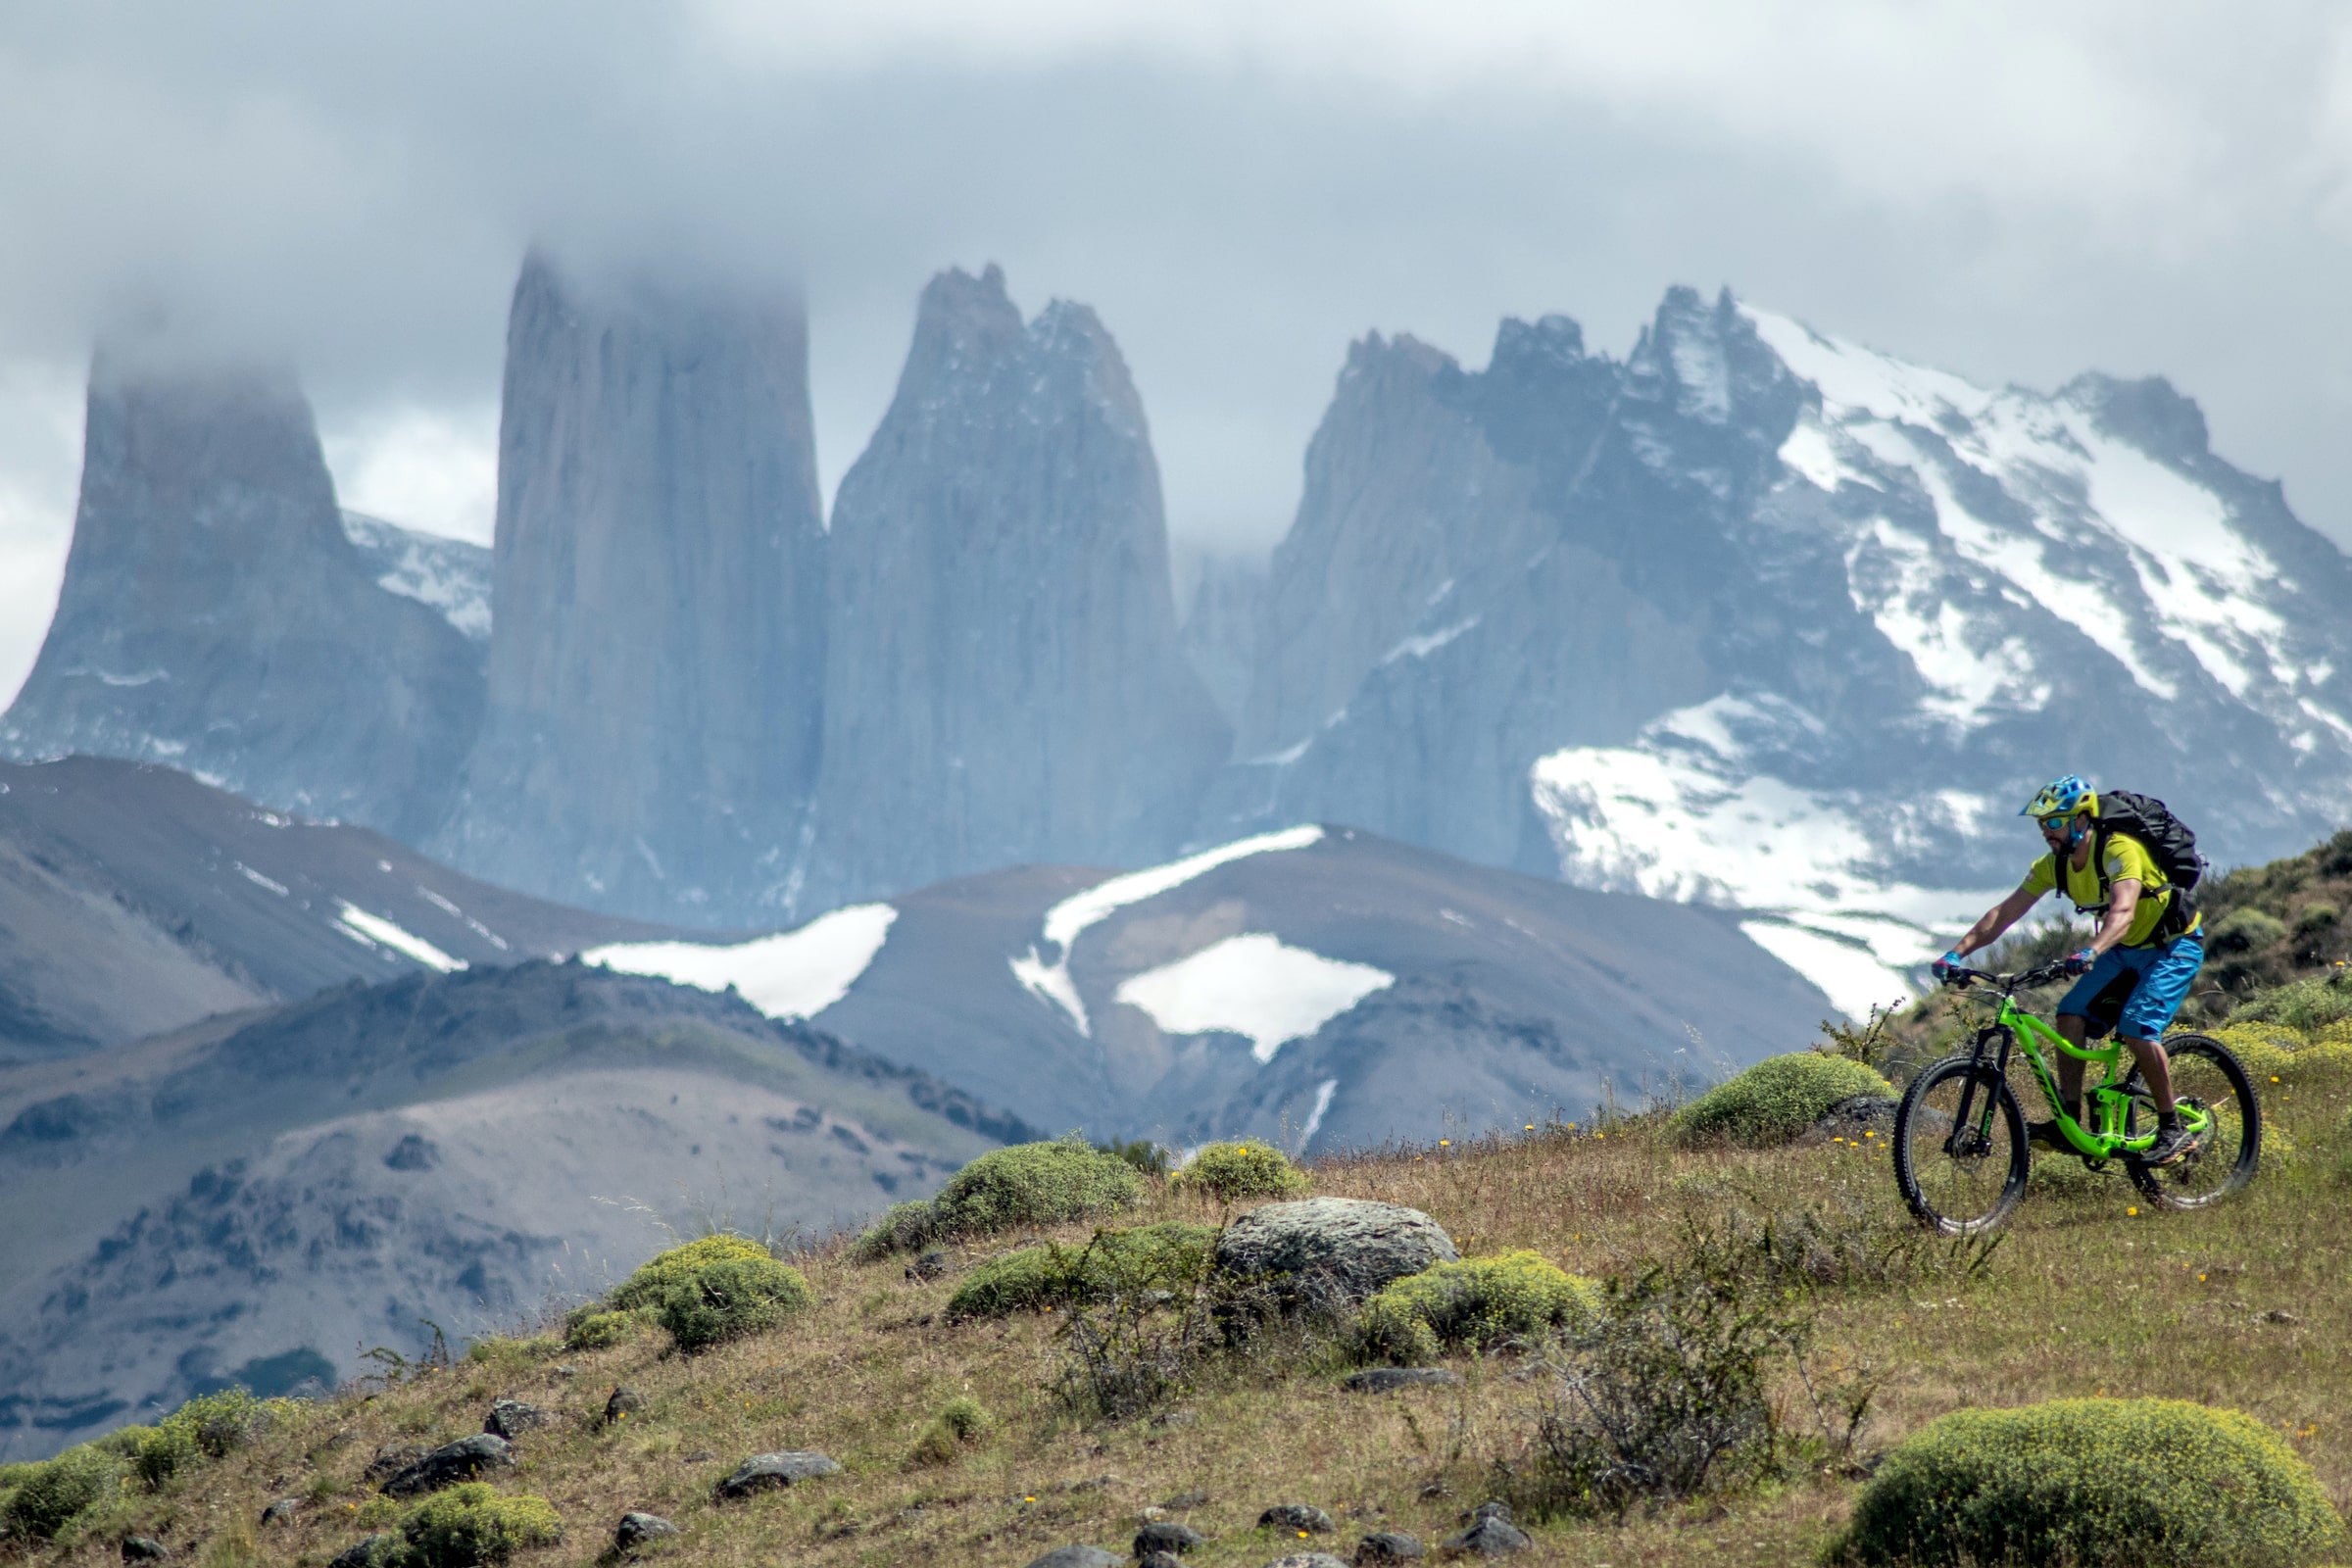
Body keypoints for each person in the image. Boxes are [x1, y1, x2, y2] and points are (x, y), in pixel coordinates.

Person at [1930, 774, 2204, 1166]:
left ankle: (2172, 1128)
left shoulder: (2120, 850)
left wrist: (2090, 950)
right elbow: (2004, 913)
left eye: (2055, 822)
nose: (2046, 831)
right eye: (2042, 824)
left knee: (2137, 1026)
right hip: (2121, 950)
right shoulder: (2053, 865)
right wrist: (1956, 954)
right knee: (2070, 1013)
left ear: (2081, 819)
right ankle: (2069, 1122)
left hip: (2172, 945)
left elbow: (2123, 912)